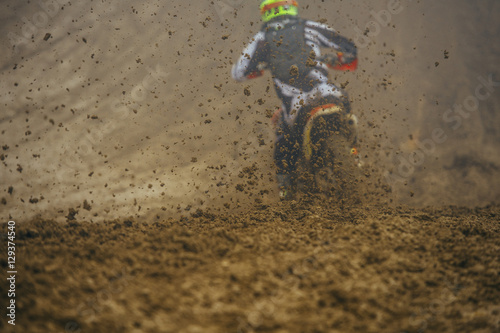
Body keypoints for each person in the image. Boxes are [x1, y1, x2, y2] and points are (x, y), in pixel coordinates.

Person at [231, 0, 360, 199]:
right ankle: (354, 153)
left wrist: (257, 70)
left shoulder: (262, 39)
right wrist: (338, 61)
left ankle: (288, 195)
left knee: (283, 144)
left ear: (266, 12)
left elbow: (238, 72)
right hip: (328, 93)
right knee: (346, 109)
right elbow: (349, 47)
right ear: (292, 6)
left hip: (295, 106)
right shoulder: (311, 27)